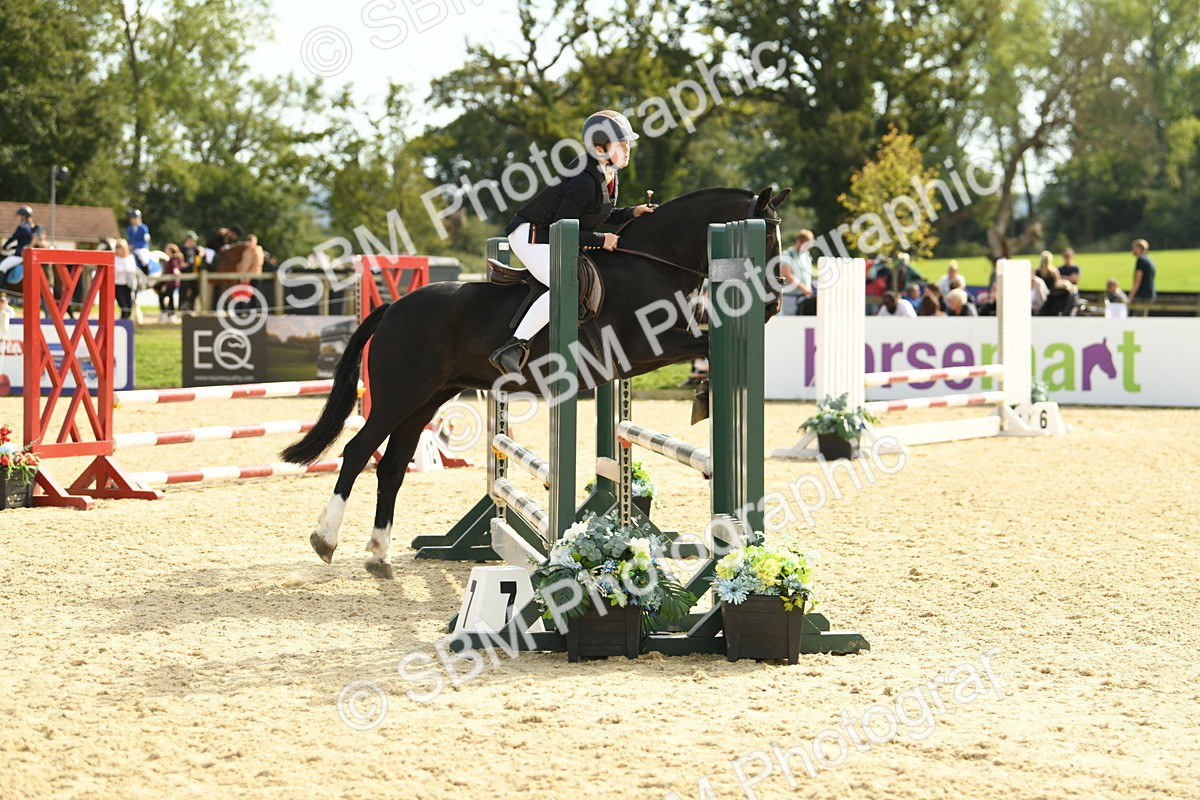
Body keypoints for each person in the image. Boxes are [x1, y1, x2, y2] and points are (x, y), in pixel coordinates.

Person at [488, 110, 656, 374]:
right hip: (532, 236)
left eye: (627, 144)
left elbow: (597, 215)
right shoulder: (583, 179)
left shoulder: (607, 172)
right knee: (565, 289)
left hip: (551, 234)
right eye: (620, 144)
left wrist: (632, 212)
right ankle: (513, 346)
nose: (627, 149)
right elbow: (561, 228)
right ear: (600, 148)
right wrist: (602, 240)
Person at [779, 230, 814, 314]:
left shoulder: (807, 256)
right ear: (799, 241)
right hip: (791, 298)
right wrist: (804, 288)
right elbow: (787, 275)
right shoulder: (787, 255)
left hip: (805, 297)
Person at [1, 206, 35, 285]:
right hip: (25, 254)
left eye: (19, 215)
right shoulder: (30, 227)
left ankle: (2, 292)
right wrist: (12, 247)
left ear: (23, 216)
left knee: (1, 267)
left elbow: (13, 238)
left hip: (19, 255)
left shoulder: (22, 227)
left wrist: (5, 246)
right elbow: (23, 242)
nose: (18, 217)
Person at [112, 239, 139, 320]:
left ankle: (125, 322)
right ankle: (124, 322)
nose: (118, 249)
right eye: (117, 247)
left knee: (129, 306)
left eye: (120, 247)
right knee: (123, 306)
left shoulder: (130, 258)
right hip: (117, 285)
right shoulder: (114, 258)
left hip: (128, 285)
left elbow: (133, 269)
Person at [1129, 238, 1156, 315]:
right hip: (1149, 293)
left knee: (1138, 318)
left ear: (1139, 248)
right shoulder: (1149, 259)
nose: (1132, 249)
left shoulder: (1140, 260)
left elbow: (1137, 280)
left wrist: (1131, 295)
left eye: (1134, 247)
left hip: (1142, 295)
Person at [158, 243, 183, 323]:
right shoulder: (172, 258)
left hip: (172, 283)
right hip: (169, 283)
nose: (165, 250)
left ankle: (167, 314)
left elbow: (175, 267)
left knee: (163, 297)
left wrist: (176, 270)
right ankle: (170, 315)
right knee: (170, 298)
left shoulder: (174, 259)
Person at [179, 231, 202, 314]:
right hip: (185, 272)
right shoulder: (182, 249)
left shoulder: (195, 249)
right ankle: (182, 308)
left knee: (195, 290)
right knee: (183, 290)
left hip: (194, 272)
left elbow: (200, 255)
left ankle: (190, 306)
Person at [125, 209, 151, 274]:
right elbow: (129, 239)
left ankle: (147, 273)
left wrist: (134, 246)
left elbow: (145, 241)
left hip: (141, 248)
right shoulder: (129, 229)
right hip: (132, 248)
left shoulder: (144, 228)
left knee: (144, 259)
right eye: (132, 219)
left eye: (135, 218)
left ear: (139, 218)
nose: (133, 220)